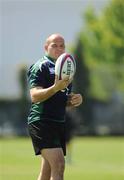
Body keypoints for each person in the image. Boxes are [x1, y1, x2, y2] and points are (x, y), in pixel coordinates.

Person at [27, 33, 83, 180]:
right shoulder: (41, 66)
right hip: (42, 121)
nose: (59, 48)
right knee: (59, 164)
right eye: (54, 45)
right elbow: (34, 96)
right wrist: (55, 87)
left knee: (46, 172)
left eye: (62, 46)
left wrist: (74, 100)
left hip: (58, 122)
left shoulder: (66, 69)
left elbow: (63, 100)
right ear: (46, 47)